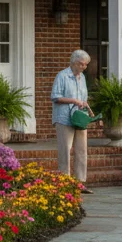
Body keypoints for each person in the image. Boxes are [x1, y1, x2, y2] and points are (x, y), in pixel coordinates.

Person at [52, 49, 94, 189]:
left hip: (79, 119)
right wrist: (74, 101)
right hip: (64, 119)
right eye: (82, 64)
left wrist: (85, 105)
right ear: (74, 62)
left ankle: (80, 183)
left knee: (82, 151)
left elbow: (84, 98)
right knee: (65, 150)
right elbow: (56, 97)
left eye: (86, 65)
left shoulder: (82, 78)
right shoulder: (62, 76)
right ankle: (65, 183)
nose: (84, 67)